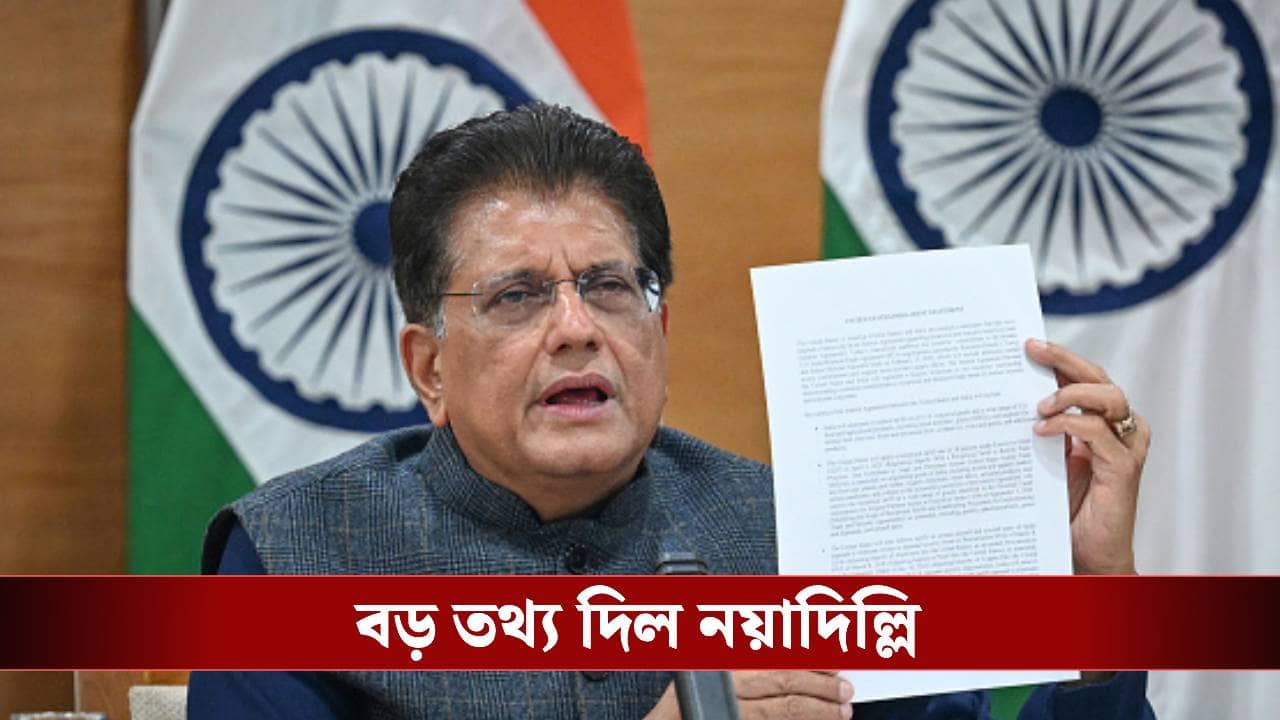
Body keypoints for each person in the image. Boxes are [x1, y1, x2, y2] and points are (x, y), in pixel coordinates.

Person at [188, 103, 1155, 719]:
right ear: (429, 367)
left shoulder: (800, 544)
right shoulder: (294, 557)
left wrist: (1093, 602)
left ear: (660, 331)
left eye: (610, 287)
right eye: (517, 296)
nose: (576, 329)